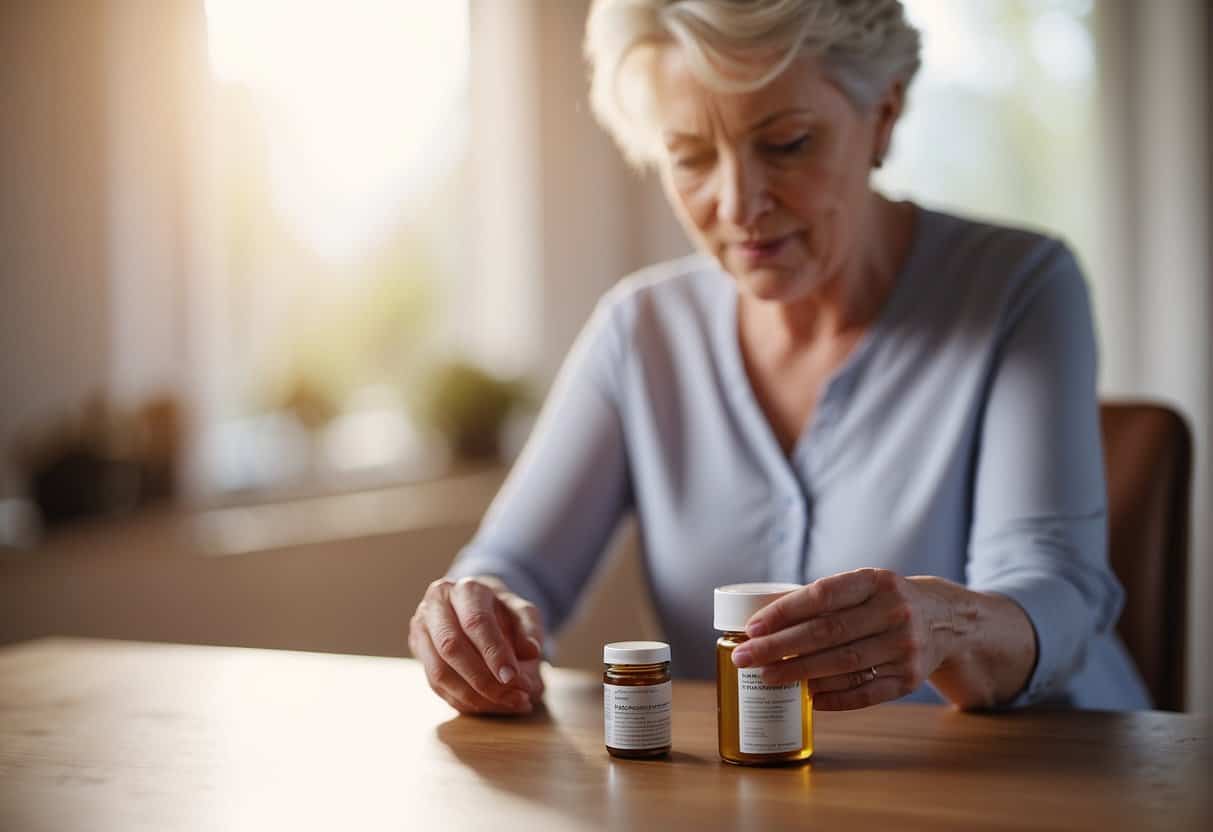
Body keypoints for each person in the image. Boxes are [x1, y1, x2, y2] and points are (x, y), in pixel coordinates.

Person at [407, 0, 1151, 716]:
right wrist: (473, 615)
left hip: (1043, 784)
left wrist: (944, 625)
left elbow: (1053, 591)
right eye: (690, 157)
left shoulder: (1017, 287)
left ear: (882, 116)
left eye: (786, 143)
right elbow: (513, 567)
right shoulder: (640, 332)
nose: (737, 204)